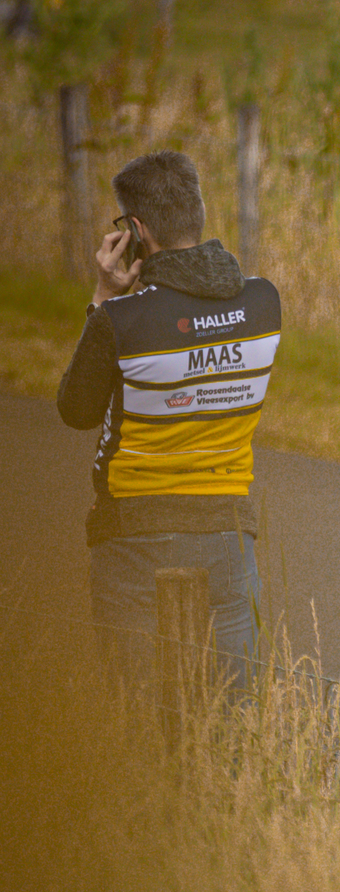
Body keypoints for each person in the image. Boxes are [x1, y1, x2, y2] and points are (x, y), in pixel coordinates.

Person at [56, 147, 282, 693]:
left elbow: (78, 409)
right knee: (227, 732)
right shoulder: (265, 303)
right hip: (231, 536)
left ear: (136, 230)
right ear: (197, 215)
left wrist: (104, 296)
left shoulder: (119, 320)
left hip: (134, 540)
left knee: (137, 727)